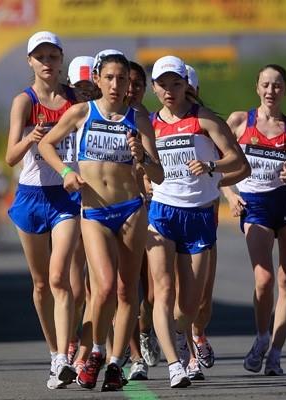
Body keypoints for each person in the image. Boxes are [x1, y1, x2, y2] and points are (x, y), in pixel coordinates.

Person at [38, 50, 163, 392]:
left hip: (130, 209)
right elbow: (48, 144)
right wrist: (66, 172)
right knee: (104, 287)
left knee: (127, 291)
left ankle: (114, 362)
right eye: (109, 77)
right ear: (97, 80)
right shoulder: (81, 113)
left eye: (122, 79)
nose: (116, 84)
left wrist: (143, 157)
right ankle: (95, 352)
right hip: (94, 212)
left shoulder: (138, 119)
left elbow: (160, 174)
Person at [147, 55, 250, 388]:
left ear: (185, 85)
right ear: (154, 88)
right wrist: (144, 177)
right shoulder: (148, 123)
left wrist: (210, 168)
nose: (169, 91)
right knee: (162, 291)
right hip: (162, 212)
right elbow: (140, 166)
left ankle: (182, 335)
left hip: (199, 215)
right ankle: (176, 364)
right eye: (162, 85)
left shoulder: (203, 119)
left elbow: (238, 159)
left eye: (175, 84)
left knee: (190, 303)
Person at [221, 64, 286, 376]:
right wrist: (231, 195)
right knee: (264, 279)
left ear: (285, 90)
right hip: (254, 205)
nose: (271, 91)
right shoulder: (240, 121)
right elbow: (220, 164)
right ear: (257, 88)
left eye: (277, 85)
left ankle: (275, 354)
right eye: (266, 85)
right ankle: (261, 336)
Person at [4, 31, 79, 389]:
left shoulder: (74, 100)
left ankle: (66, 357)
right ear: (30, 61)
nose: (47, 63)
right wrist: (30, 138)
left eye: (53, 57)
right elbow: (9, 157)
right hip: (31, 198)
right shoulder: (25, 101)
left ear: (61, 59)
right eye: (41, 57)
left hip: (65, 198)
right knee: (39, 284)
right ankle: (54, 353)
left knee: (58, 278)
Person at [124, 60, 161, 381]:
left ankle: (146, 329)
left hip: (151, 205)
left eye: (138, 84)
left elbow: (158, 168)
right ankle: (132, 351)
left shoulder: (149, 120)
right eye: (128, 82)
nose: (133, 89)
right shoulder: (107, 115)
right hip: (118, 209)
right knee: (128, 286)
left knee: (150, 290)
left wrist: (144, 161)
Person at [64, 55, 100, 374]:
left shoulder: (112, 116)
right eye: (80, 88)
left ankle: (89, 350)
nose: (87, 93)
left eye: (92, 87)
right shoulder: (68, 116)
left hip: (102, 206)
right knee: (77, 291)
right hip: (71, 205)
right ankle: (73, 341)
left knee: (99, 287)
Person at [182, 64, 216, 381]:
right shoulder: (158, 123)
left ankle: (199, 333)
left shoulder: (209, 122)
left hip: (206, 215)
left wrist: (225, 187)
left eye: (190, 92)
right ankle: (187, 354)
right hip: (170, 214)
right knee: (178, 292)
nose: (185, 97)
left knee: (203, 297)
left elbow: (233, 165)